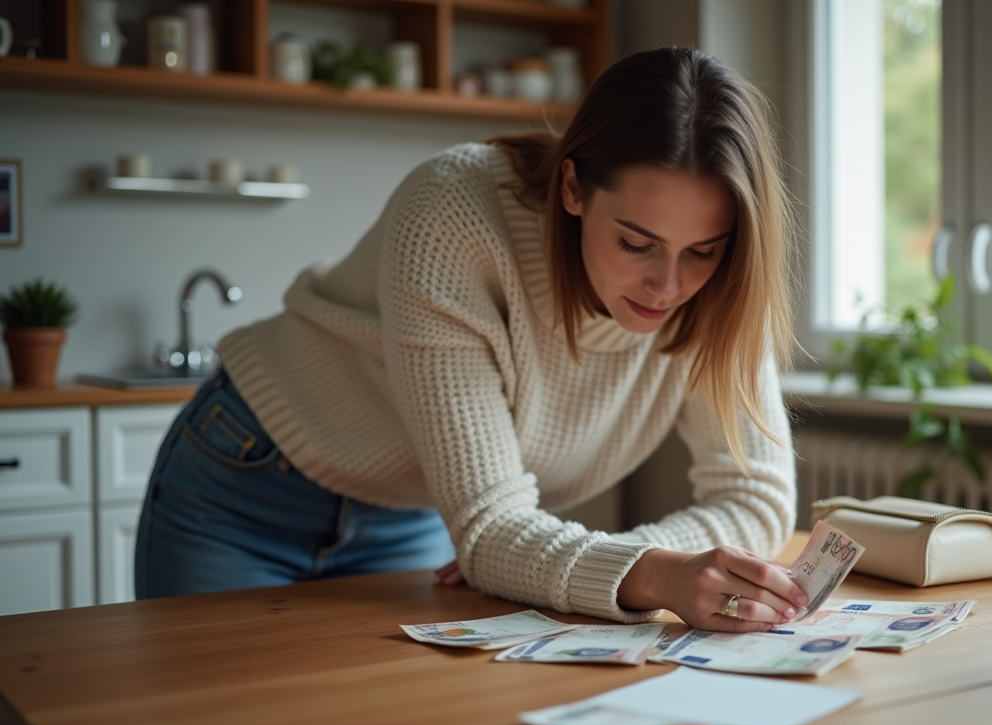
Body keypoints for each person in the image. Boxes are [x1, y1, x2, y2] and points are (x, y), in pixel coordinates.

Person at [135, 46, 808, 632]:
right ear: (573, 187)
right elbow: (492, 532)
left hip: (414, 511)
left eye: (703, 250)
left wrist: (639, 565)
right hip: (248, 482)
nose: (668, 286)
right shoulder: (452, 210)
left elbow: (756, 498)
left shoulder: (725, 286)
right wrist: (651, 572)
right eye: (636, 243)